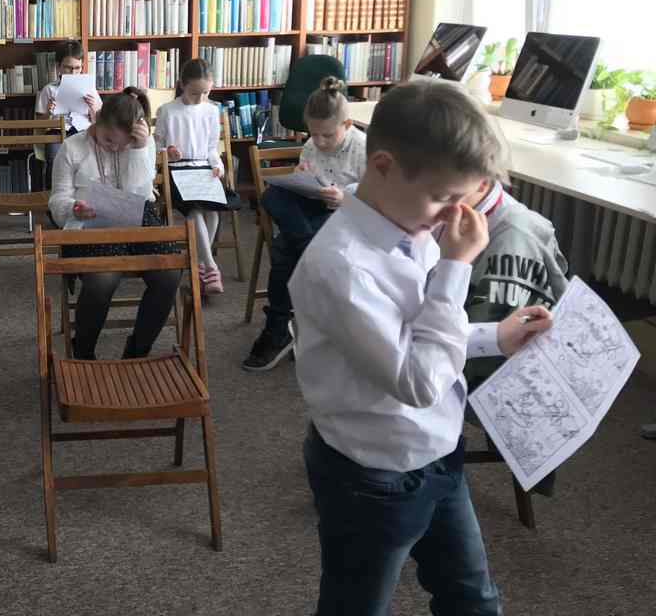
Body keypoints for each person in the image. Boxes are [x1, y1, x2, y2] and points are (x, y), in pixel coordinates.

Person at [289, 79, 554, 616]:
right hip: (374, 476)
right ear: (382, 166)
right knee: (355, 605)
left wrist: (494, 336)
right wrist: (456, 267)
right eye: (444, 197)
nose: (452, 215)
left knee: (472, 597)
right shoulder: (342, 266)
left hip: (438, 452)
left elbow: (427, 330)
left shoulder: (412, 226)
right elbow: (418, 380)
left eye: (464, 199)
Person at [243, 76, 366, 371]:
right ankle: (308, 247)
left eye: (327, 135)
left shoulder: (364, 149)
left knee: (283, 249)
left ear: (347, 125)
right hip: (310, 211)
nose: (319, 142)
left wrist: (344, 198)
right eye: (314, 134)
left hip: (343, 216)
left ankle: (277, 328)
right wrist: (302, 176)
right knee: (272, 196)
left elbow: (378, 203)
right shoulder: (311, 144)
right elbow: (307, 177)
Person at [48, 87, 180, 360]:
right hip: (89, 225)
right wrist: (74, 209)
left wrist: (138, 150)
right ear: (97, 120)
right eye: (108, 140)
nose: (114, 148)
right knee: (102, 279)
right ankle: (83, 353)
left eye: (122, 144)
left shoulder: (141, 144)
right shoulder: (72, 147)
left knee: (169, 273)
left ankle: (137, 351)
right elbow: (57, 199)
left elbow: (139, 195)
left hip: (137, 219)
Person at [460, 175, 569, 495]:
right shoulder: (468, 208)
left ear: (480, 182)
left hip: (498, 380)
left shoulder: (514, 236)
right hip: (473, 340)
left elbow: (484, 352)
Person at [154, 57, 230, 295]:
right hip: (177, 170)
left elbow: (212, 149)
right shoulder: (167, 111)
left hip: (203, 168)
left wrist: (218, 166)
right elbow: (156, 146)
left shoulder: (211, 111)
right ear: (182, 85)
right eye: (195, 93)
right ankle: (210, 266)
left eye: (206, 93)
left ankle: (198, 264)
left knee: (214, 211)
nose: (200, 98)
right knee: (195, 211)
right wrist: (167, 153)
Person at [36, 40, 101, 176]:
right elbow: (39, 126)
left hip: (84, 132)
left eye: (77, 68)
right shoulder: (49, 90)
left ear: (82, 66)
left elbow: (99, 122)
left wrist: (93, 108)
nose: (73, 72)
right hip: (56, 133)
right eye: (68, 68)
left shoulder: (90, 89)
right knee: (55, 162)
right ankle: (54, 188)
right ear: (58, 67)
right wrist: (48, 112)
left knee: (90, 162)